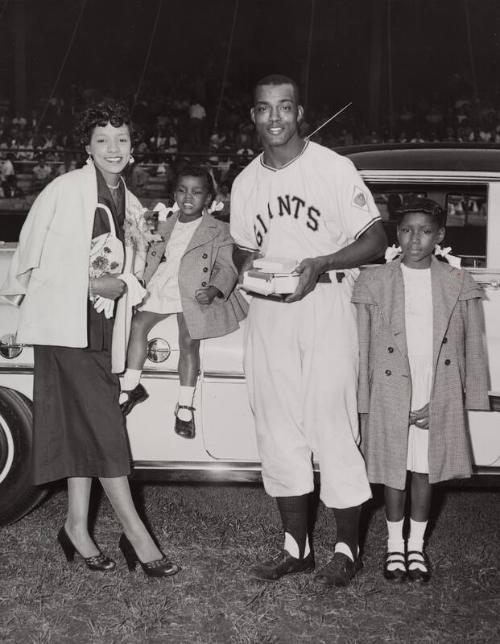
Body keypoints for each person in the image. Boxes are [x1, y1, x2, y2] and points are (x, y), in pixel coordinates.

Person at [0, 101, 179, 578]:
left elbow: (134, 267)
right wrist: (88, 283)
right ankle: (137, 535)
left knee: (85, 424)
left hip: (103, 327)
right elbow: (30, 260)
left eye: (121, 139)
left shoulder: (130, 200)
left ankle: (77, 527)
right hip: (66, 326)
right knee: (104, 426)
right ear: (87, 147)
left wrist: (152, 251)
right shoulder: (64, 190)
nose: (113, 148)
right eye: (102, 140)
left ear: (134, 148)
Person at [230, 74, 387, 586]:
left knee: (331, 423)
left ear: (300, 113)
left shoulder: (332, 168)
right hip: (269, 310)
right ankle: (295, 549)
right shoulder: (246, 180)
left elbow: (376, 239)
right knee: (276, 426)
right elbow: (240, 246)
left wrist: (320, 264)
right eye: (263, 109)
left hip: (325, 300)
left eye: (284, 107)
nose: (274, 118)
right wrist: (249, 264)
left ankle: (347, 548)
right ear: (253, 116)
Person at [352, 198, 489, 583]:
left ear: (440, 236)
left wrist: (455, 400)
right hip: (391, 387)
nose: (415, 239)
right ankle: (394, 547)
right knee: (394, 470)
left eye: (425, 231)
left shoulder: (457, 282)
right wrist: (364, 401)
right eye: (408, 230)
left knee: (425, 470)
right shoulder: (374, 280)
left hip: (435, 386)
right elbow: (362, 347)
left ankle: (416, 547)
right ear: (397, 234)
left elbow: (472, 347)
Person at [119, 165, 247, 438]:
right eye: (181, 190)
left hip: (193, 291)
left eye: (197, 192)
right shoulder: (161, 221)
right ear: (174, 193)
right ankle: (131, 385)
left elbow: (228, 267)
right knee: (138, 324)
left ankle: (185, 404)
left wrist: (214, 289)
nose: (188, 198)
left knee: (189, 338)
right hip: (162, 285)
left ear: (209, 199)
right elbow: (136, 240)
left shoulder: (219, 229)